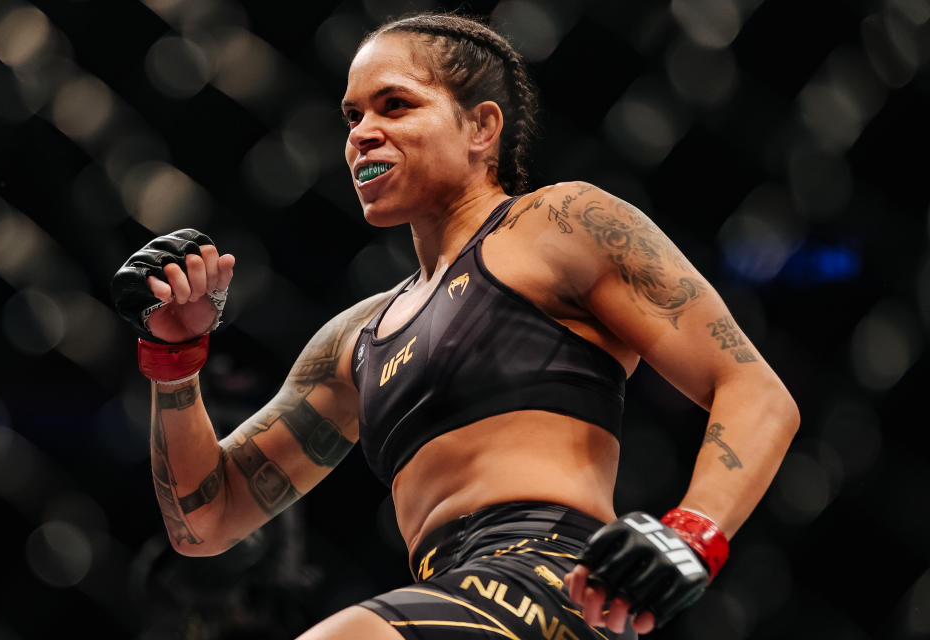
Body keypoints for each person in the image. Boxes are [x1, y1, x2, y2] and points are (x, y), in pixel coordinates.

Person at [112, 12, 800, 639]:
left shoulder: (558, 225)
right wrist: (173, 355)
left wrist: (692, 532)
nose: (361, 133)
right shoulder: (358, 337)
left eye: (395, 105)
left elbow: (753, 391)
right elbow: (205, 520)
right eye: (351, 115)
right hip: (451, 599)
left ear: (481, 128)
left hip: (559, 581)